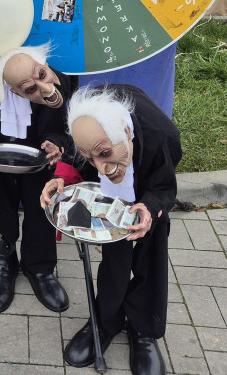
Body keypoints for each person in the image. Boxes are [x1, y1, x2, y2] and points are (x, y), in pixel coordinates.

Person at [40, 85, 181, 375]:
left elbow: (164, 185)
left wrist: (149, 206)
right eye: (92, 159)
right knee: (114, 255)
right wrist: (62, 178)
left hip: (147, 185)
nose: (101, 168)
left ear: (126, 134)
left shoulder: (160, 134)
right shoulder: (84, 124)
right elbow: (75, 158)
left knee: (151, 253)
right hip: (109, 196)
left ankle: (143, 327)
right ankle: (105, 321)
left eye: (104, 154)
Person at [0, 44, 74, 314]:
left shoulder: (59, 83)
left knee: (42, 208)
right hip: (0, 158)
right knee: (2, 205)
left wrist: (56, 144)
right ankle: (7, 257)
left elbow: (63, 128)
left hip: (40, 162)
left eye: (42, 75)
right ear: (14, 91)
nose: (44, 89)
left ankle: (40, 267)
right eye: (30, 89)